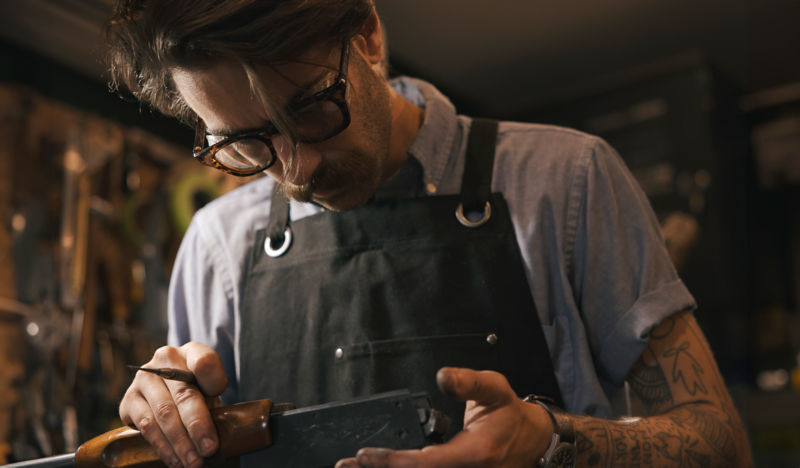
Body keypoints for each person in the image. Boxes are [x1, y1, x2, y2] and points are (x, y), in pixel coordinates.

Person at [106, 1, 752, 467]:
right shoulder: (218, 245)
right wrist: (170, 428)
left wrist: (551, 441)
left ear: (367, 35)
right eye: (247, 143)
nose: (297, 173)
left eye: (311, 109)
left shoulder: (565, 180)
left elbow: (720, 442)